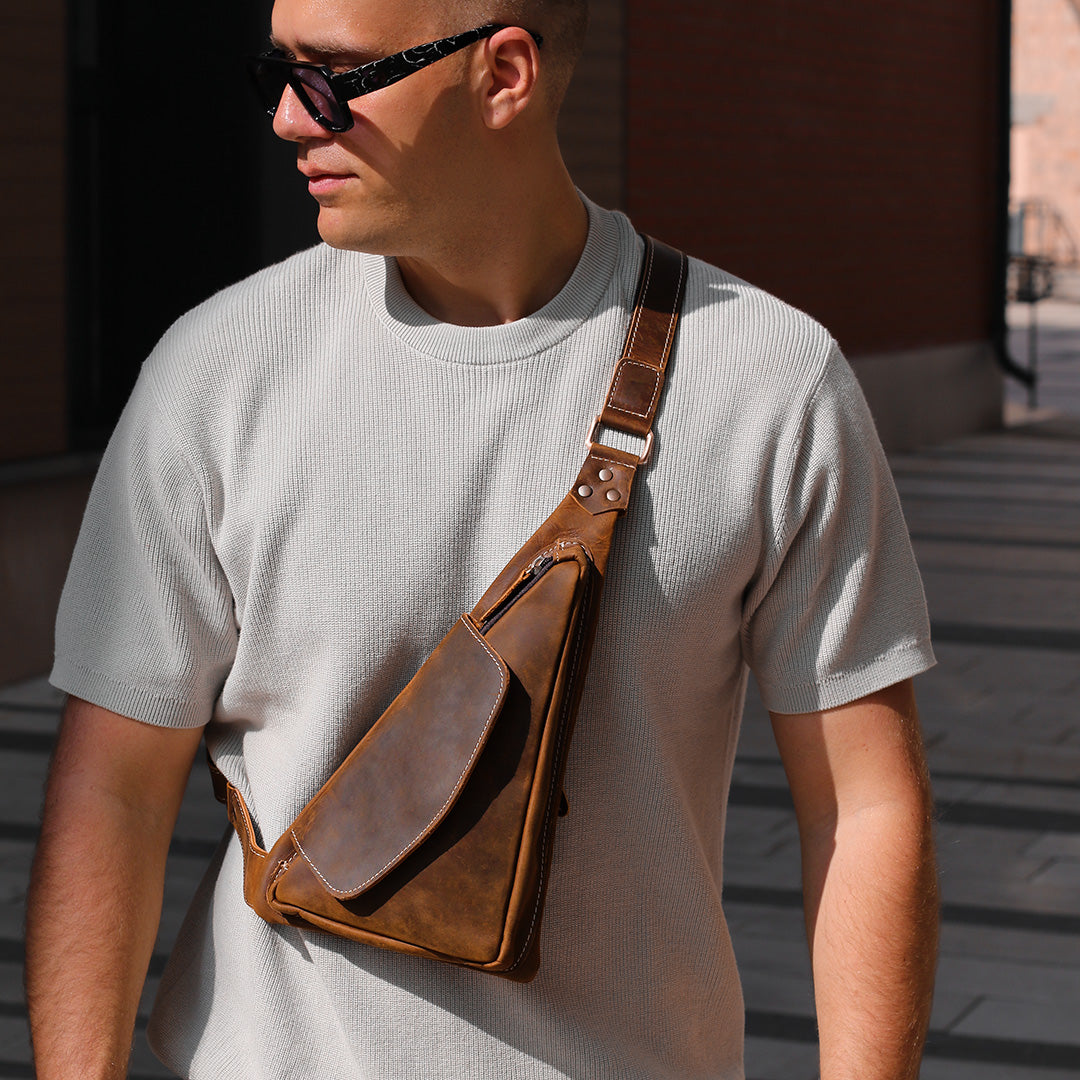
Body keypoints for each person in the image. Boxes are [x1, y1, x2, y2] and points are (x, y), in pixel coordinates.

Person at [25, 0, 940, 1077]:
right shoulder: (218, 373)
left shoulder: (768, 382)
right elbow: (111, 794)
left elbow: (863, 807)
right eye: (278, 69)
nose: (284, 116)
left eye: (332, 75)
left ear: (504, 73)